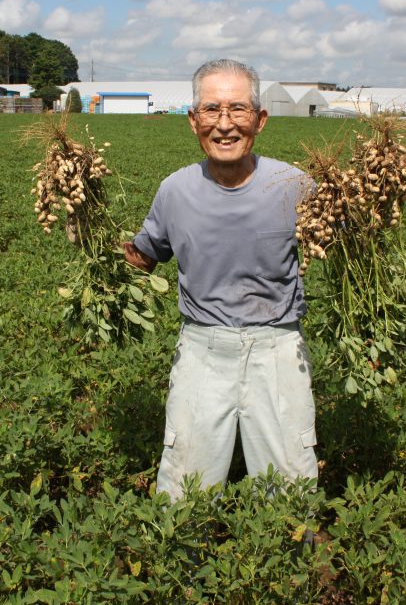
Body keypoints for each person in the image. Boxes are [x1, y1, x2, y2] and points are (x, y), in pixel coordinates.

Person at [123, 58, 319, 501]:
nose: (224, 124)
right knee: (184, 489)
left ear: (260, 120)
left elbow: (344, 245)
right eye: (211, 110)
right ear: (194, 121)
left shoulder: (295, 185)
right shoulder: (175, 190)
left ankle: (292, 568)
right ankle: (183, 566)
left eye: (238, 110)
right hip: (202, 350)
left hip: (278, 349)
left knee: (290, 489)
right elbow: (145, 258)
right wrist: (89, 231)